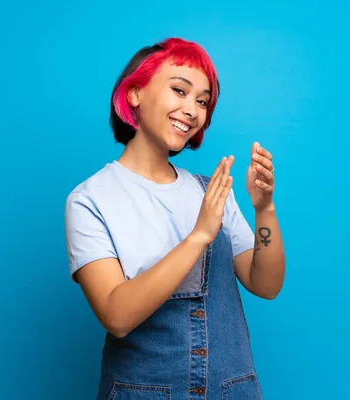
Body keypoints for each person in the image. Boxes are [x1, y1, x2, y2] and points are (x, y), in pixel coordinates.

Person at [64, 37, 285, 399]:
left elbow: (266, 284)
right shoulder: (90, 200)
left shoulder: (210, 191)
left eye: (202, 101)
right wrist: (199, 236)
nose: (193, 110)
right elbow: (116, 316)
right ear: (134, 93)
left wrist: (265, 208)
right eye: (179, 91)